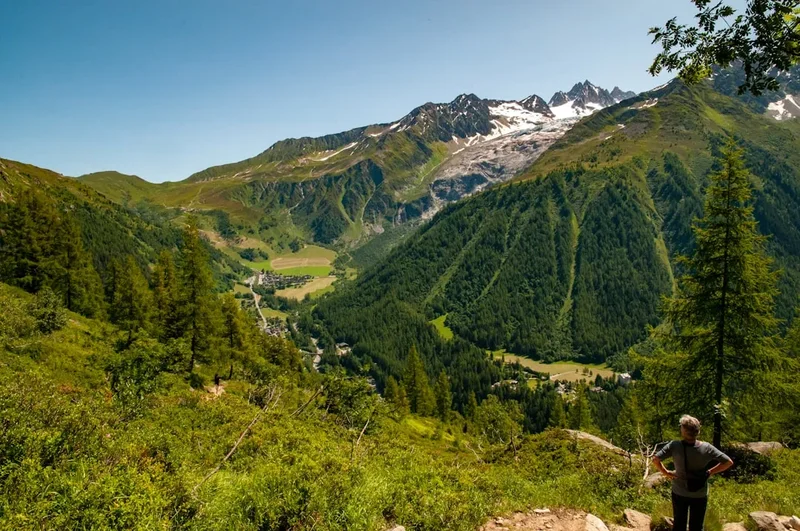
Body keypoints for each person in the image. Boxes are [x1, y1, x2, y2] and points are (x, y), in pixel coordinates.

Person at [653, 415, 734, 531]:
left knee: (679, 525)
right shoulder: (707, 448)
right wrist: (710, 472)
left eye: (681, 427)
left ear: (684, 431)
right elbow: (728, 462)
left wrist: (666, 472)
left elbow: (655, 460)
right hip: (700, 493)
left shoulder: (675, 445)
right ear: (697, 431)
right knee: (697, 526)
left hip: (679, 491)